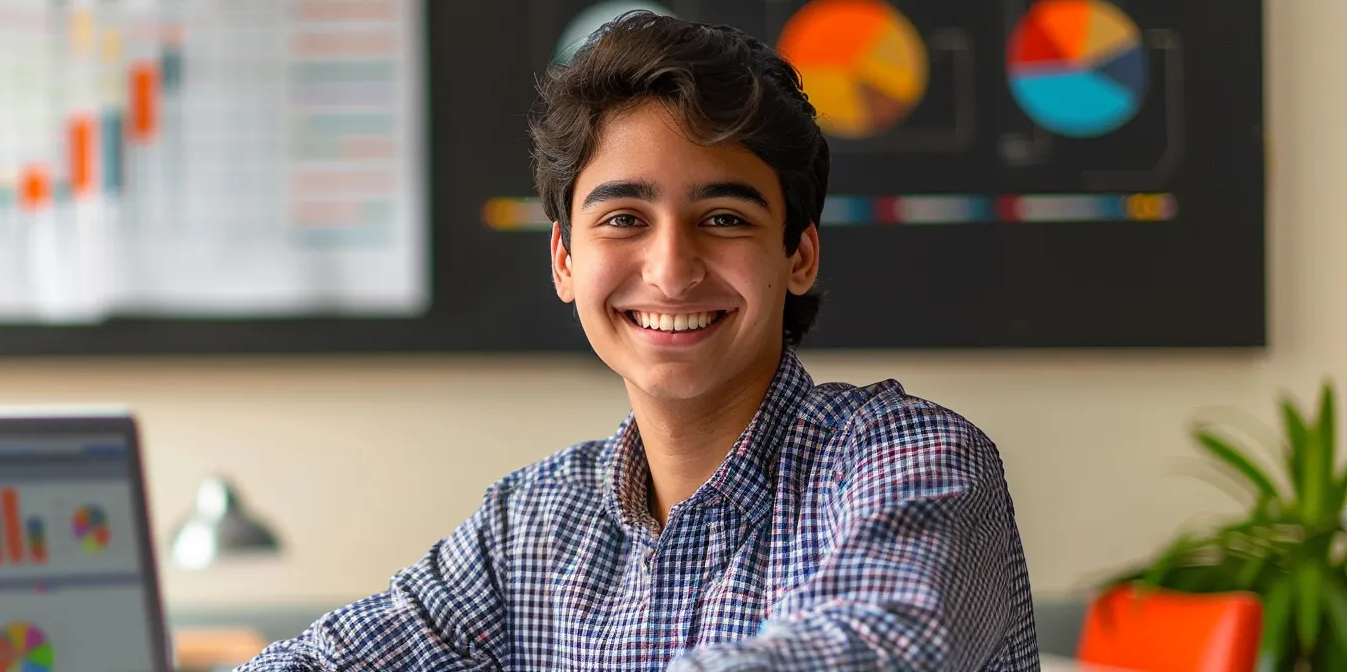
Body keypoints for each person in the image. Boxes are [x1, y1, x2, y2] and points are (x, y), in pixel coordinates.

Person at [237, 11, 1037, 671]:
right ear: (564, 259)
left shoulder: (910, 459)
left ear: (799, 255)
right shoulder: (534, 526)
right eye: (624, 218)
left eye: (723, 219)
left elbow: (884, 648)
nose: (671, 268)